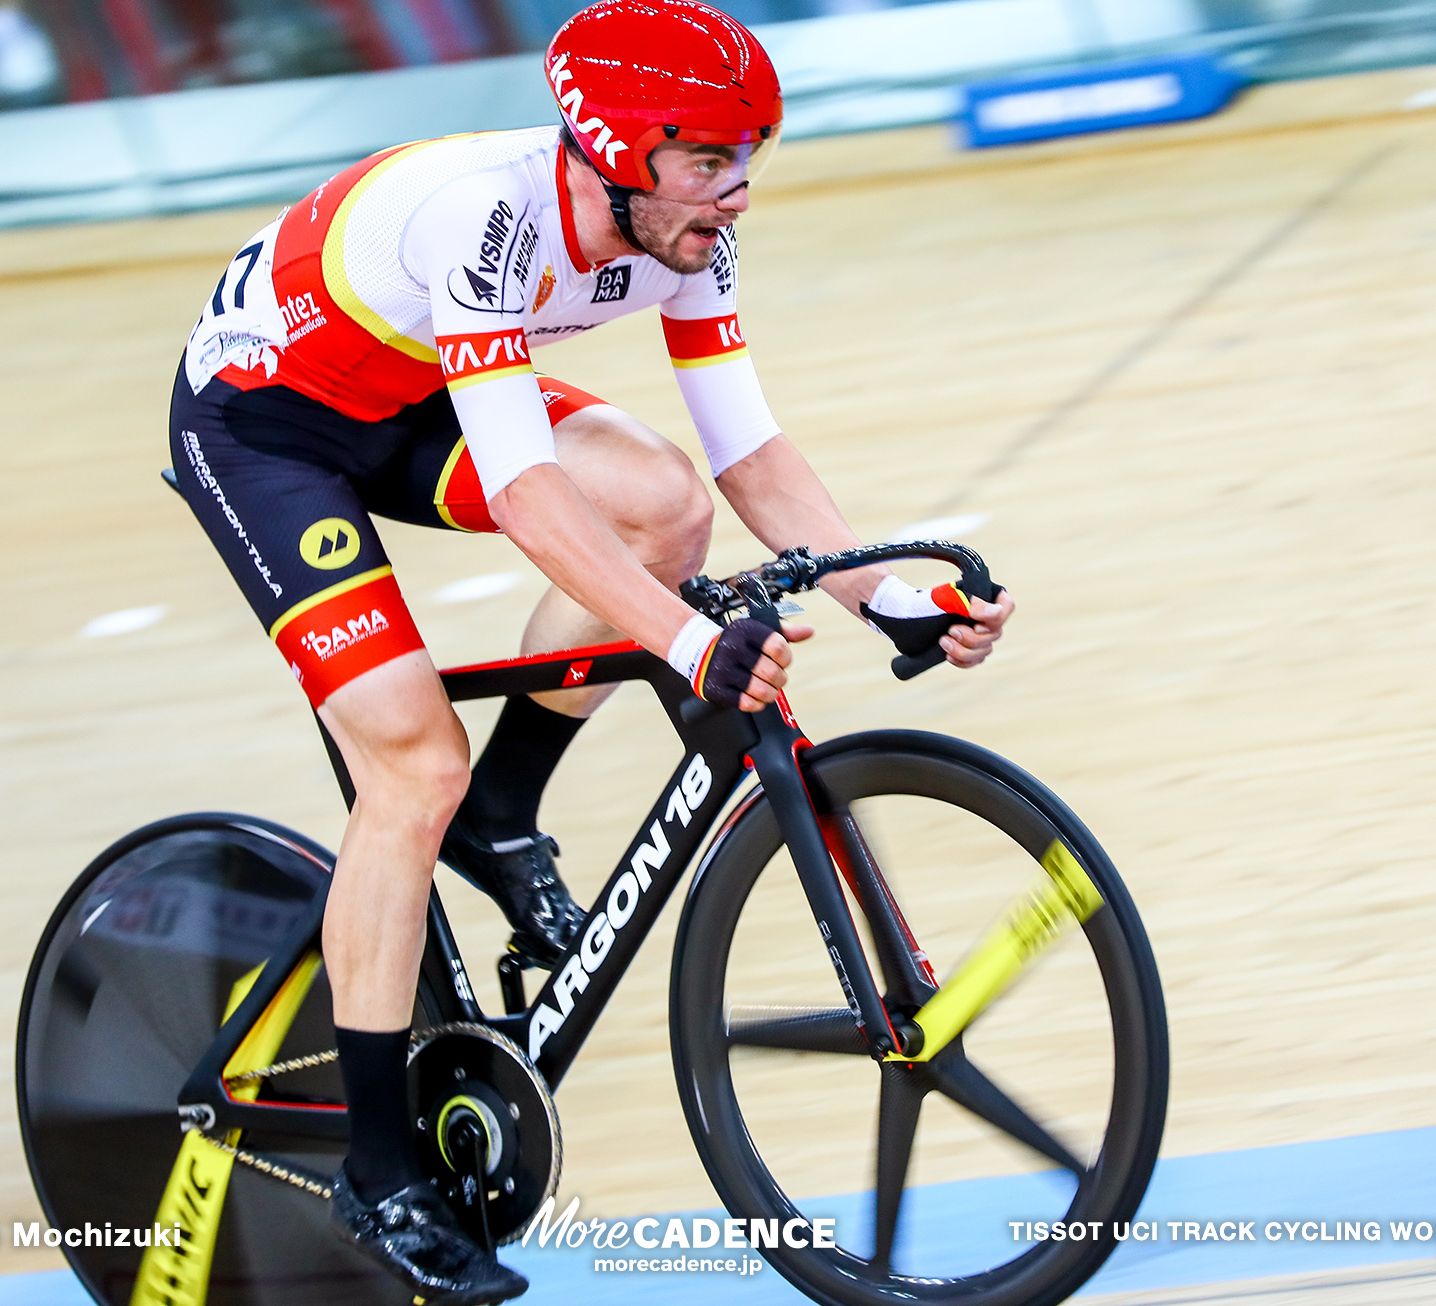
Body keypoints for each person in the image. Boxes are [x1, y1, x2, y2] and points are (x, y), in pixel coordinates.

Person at [167, 1, 1011, 1300]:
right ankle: (380, 1168)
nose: (735, 192)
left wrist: (887, 599)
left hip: (412, 388)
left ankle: (503, 812)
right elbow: (526, 495)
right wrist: (685, 639)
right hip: (267, 430)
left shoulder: (683, 229)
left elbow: (747, 456)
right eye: (709, 160)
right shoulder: (486, 218)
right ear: (620, 146)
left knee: (667, 500)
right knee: (408, 759)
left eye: (751, 159)